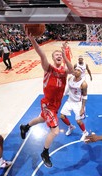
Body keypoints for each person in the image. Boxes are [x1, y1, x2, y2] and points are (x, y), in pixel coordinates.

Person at [20, 30, 74, 168]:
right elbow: (41, 54)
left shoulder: (64, 71)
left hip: (55, 105)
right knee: (55, 131)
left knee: (41, 119)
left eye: (60, 55)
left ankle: (25, 127)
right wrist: (33, 40)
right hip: (48, 104)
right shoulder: (48, 68)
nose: (58, 56)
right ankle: (45, 153)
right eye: (56, 55)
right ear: (52, 58)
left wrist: (65, 55)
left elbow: (72, 70)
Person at [60, 67, 89, 141]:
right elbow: (67, 88)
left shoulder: (83, 83)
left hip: (78, 103)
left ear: (81, 72)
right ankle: (71, 126)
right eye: (75, 69)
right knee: (62, 116)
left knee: (78, 121)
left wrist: (82, 108)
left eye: (78, 70)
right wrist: (62, 95)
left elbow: (85, 96)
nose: (76, 71)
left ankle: (85, 132)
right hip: (69, 101)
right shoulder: (70, 78)